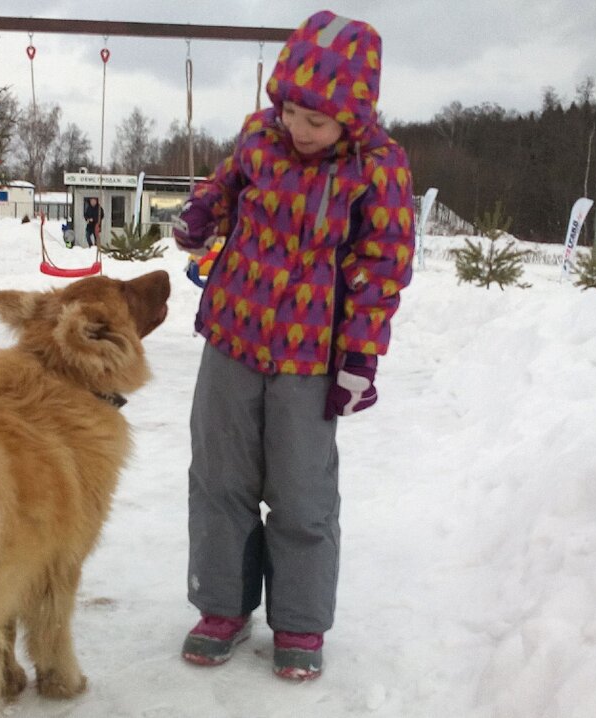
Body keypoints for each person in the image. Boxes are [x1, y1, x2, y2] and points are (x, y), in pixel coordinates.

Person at [172, 10, 415, 682]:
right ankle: (221, 605)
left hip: (311, 357)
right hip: (231, 333)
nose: (300, 131)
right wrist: (202, 210)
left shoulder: (379, 168)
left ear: (354, 117)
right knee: (219, 477)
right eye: (292, 114)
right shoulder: (261, 136)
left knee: (304, 492)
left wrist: (361, 356)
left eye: (318, 121)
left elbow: (383, 266)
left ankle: (301, 619)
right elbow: (225, 187)